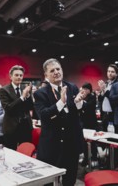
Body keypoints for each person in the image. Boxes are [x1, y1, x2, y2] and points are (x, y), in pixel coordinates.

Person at [34, 58, 84, 186]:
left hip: (71, 143)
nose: (56, 72)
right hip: (52, 145)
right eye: (52, 70)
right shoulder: (41, 93)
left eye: (58, 69)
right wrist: (61, 102)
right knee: (49, 181)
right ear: (46, 75)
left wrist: (79, 102)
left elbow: (76, 112)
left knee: (70, 179)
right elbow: (43, 115)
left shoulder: (72, 87)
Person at [0, 65, 36, 150]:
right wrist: (22, 97)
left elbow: (30, 107)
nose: (19, 77)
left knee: (26, 152)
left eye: (21, 75)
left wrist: (29, 96)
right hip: (11, 126)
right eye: (16, 75)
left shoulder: (25, 88)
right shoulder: (4, 90)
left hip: (25, 125)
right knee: (11, 153)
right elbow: (8, 108)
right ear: (10, 76)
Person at [80, 82, 98, 166]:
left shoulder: (92, 97)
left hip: (91, 122)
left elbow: (87, 106)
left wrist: (82, 101)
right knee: (84, 141)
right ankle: (86, 158)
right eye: (83, 89)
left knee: (92, 141)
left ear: (89, 90)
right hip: (83, 121)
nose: (84, 90)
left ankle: (94, 157)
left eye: (86, 89)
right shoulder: (83, 97)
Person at [97, 64, 118, 132]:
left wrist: (105, 89)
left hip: (114, 113)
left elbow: (113, 98)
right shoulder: (106, 83)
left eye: (112, 72)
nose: (110, 73)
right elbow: (100, 99)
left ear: (117, 74)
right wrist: (102, 90)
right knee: (104, 134)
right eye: (108, 71)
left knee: (114, 135)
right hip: (104, 114)